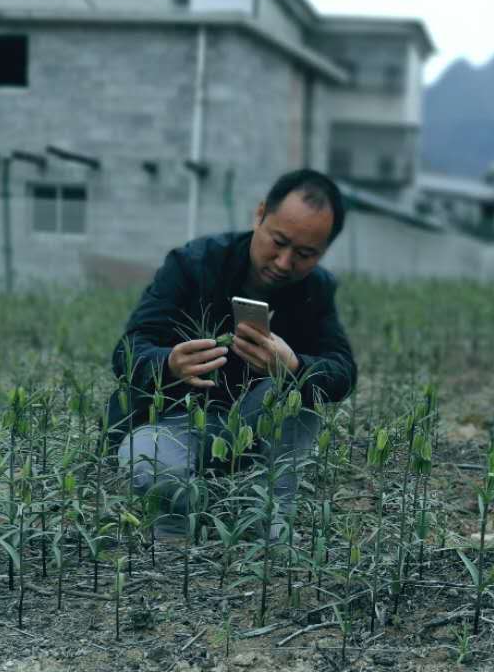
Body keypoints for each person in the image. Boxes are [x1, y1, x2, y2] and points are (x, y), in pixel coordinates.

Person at [107, 169, 357, 536]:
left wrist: (294, 367)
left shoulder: (315, 289)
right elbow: (129, 350)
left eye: (305, 254)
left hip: (255, 425)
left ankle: (266, 517)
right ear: (259, 215)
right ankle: (192, 514)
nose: (285, 262)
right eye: (279, 241)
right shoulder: (193, 264)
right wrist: (169, 363)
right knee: (145, 462)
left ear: (323, 252)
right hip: (178, 418)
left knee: (302, 392)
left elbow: (342, 372)